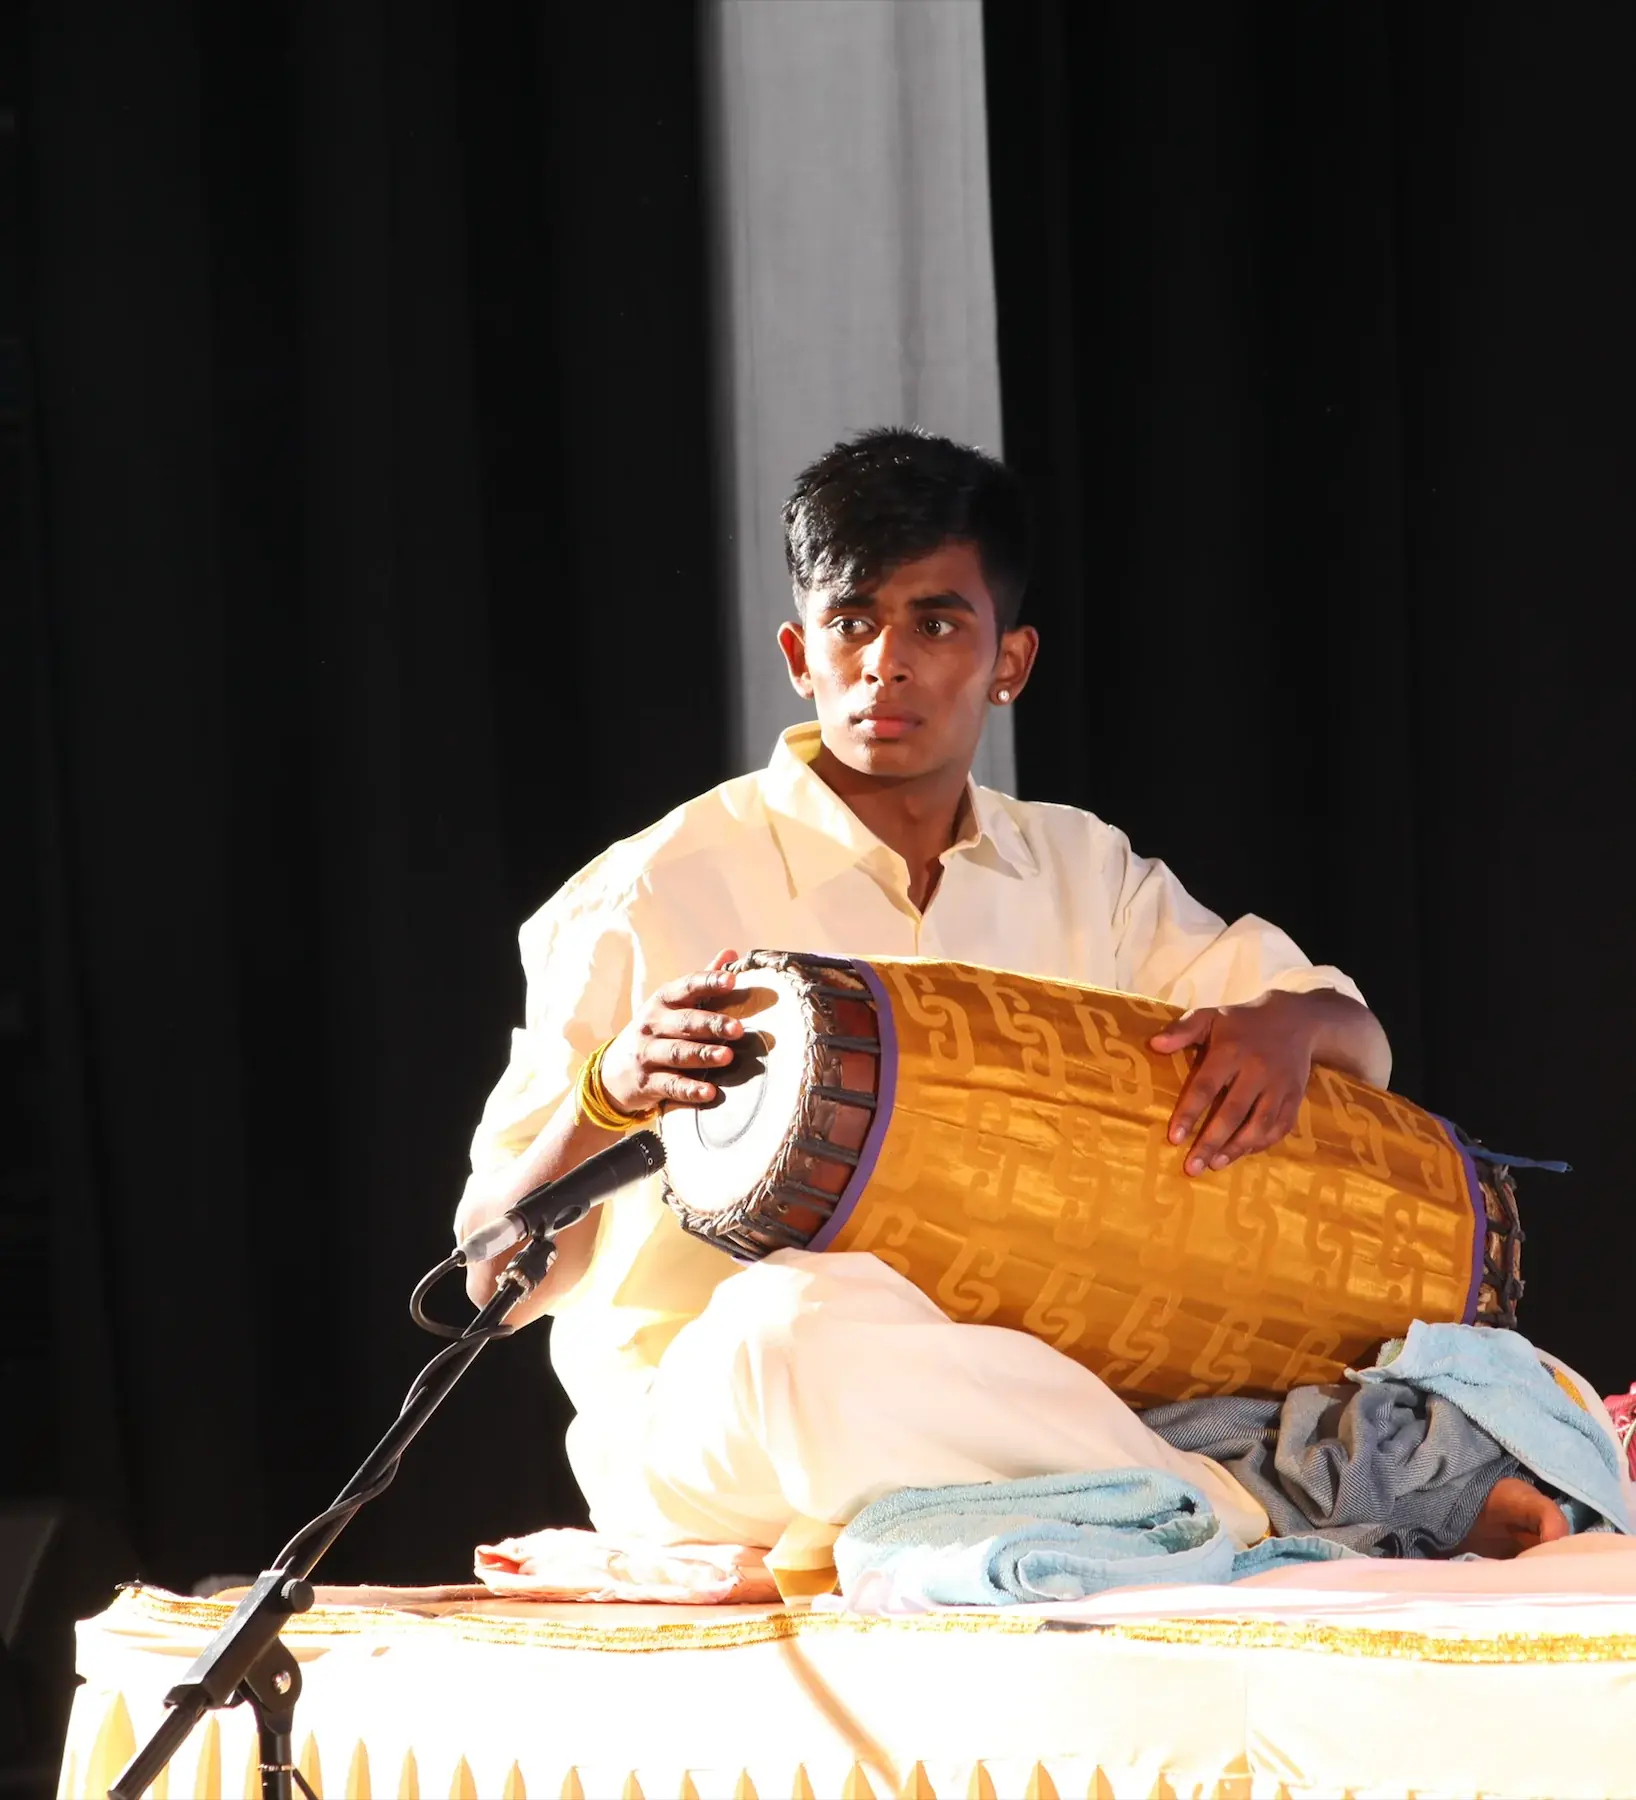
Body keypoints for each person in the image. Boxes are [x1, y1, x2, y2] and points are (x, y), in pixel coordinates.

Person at [454, 427, 1567, 1568]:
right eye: (851, 621)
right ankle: (1269, 1499)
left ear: (1009, 662)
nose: (885, 662)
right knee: (797, 1323)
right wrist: (606, 1093)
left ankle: (1150, 1481)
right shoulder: (651, 892)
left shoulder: (1080, 872)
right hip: (726, 1422)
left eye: (934, 623)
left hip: (1040, 1394)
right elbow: (496, 1272)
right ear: (800, 652)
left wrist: (1286, 1027)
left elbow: (1347, 1038)